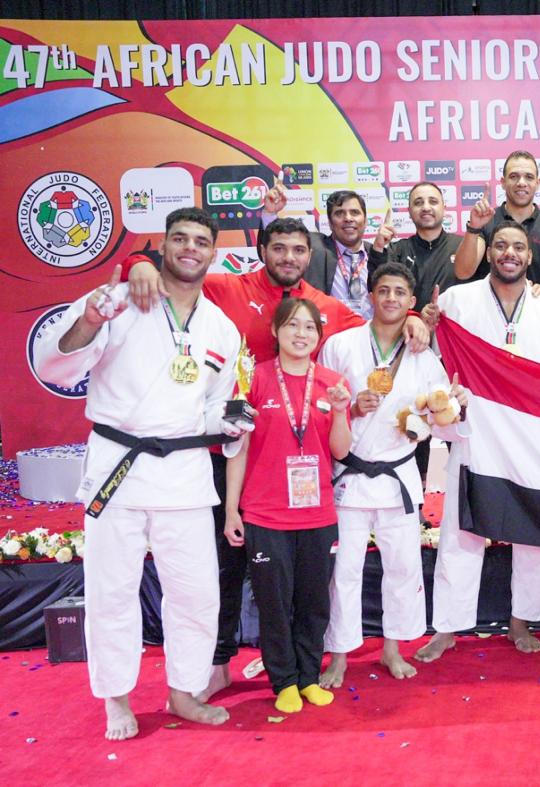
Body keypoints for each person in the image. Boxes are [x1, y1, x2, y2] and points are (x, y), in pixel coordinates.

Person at [123, 217, 428, 702]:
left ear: (311, 255)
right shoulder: (228, 287)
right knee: (226, 570)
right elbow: (180, 270)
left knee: (309, 591)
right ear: (262, 249)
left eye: (298, 250)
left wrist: (411, 316)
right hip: (238, 458)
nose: (289, 257)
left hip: (309, 484)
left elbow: (381, 320)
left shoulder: (326, 309)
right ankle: (220, 663)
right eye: (279, 247)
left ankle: (299, 669)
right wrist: (139, 263)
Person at [33, 207, 241, 740]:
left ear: (213, 253)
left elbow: (213, 407)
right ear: (162, 246)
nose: (190, 248)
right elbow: (55, 365)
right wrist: (89, 320)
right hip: (119, 468)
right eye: (180, 239)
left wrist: (232, 422)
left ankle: (184, 691)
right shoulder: (119, 299)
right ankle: (117, 698)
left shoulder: (221, 327)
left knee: (197, 592)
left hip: (185, 472)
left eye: (201, 241)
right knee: (113, 590)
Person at [419, 221, 540, 662]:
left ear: (530, 256)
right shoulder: (457, 300)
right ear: (488, 254)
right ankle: (447, 627)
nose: (509, 253)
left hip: (530, 434)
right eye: (501, 245)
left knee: (533, 531)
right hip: (475, 429)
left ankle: (523, 620)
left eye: (518, 247)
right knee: (460, 531)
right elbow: (434, 360)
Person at [317, 262, 470, 687]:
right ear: (370, 296)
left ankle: (392, 648)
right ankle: (339, 656)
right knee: (344, 571)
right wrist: (351, 408)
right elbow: (322, 405)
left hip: (398, 475)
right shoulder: (341, 345)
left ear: (411, 301)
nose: (390, 299)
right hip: (350, 475)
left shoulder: (424, 355)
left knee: (402, 568)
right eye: (383, 290)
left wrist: (449, 406)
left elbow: (440, 414)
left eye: (400, 292)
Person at [223, 298, 352, 714]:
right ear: (276, 331)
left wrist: (341, 411)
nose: (301, 334)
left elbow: (340, 451)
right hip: (266, 514)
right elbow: (237, 448)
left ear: (319, 336)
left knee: (315, 602)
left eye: (310, 327)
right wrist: (231, 511)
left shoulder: (332, 382)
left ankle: (309, 678)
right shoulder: (253, 379)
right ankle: (284, 681)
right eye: (293, 325)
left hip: (318, 513)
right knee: (274, 603)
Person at [261, 186, 397, 318]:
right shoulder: (313, 246)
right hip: (327, 329)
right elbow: (278, 242)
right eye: (339, 213)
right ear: (330, 223)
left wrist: (379, 249)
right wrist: (270, 214)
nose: (348, 218)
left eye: (355, 212)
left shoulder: (379, 253)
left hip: (369, 329)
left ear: (366, 221)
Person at [453, 150, 540, 298]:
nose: (521, 183)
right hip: (487, 308)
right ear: (503, 182)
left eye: (529, 177)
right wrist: (474, 228)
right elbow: (463, 272)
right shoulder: (486, 221)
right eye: (514, 176)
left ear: (537, 183)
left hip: (534, 305)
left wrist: (539, 295)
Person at [375, 182, 467, 311]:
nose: (426, 208)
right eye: (418, 203)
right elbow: (378, 288)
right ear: (409, 211)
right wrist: (378, 249)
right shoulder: (397, 250)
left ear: (444, 208)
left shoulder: (463, 247)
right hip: (410, 323)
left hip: (454, 323)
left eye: (433, 202)